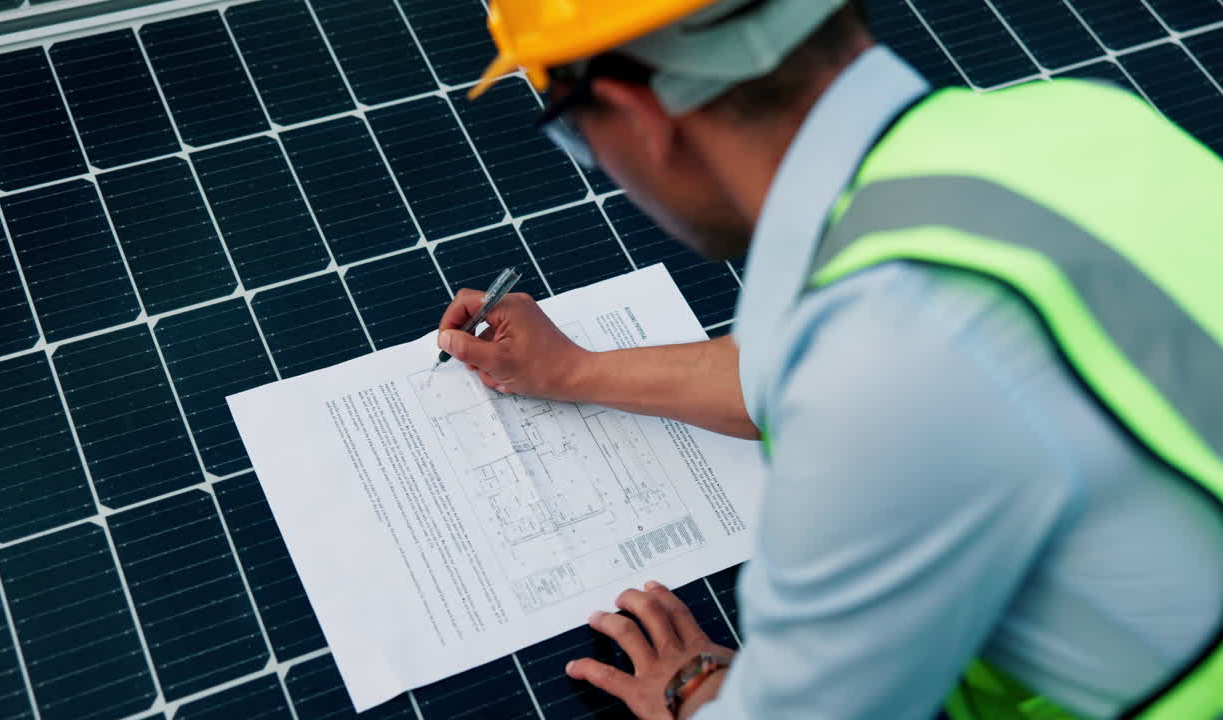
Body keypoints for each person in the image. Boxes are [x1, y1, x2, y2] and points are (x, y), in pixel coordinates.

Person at [436, 1, 1223, 717]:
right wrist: (574, 371)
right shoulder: (1076, 120)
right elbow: (858, 366)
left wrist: (699, 694)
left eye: (575, 131)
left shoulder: (882, 362)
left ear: (637, 113)